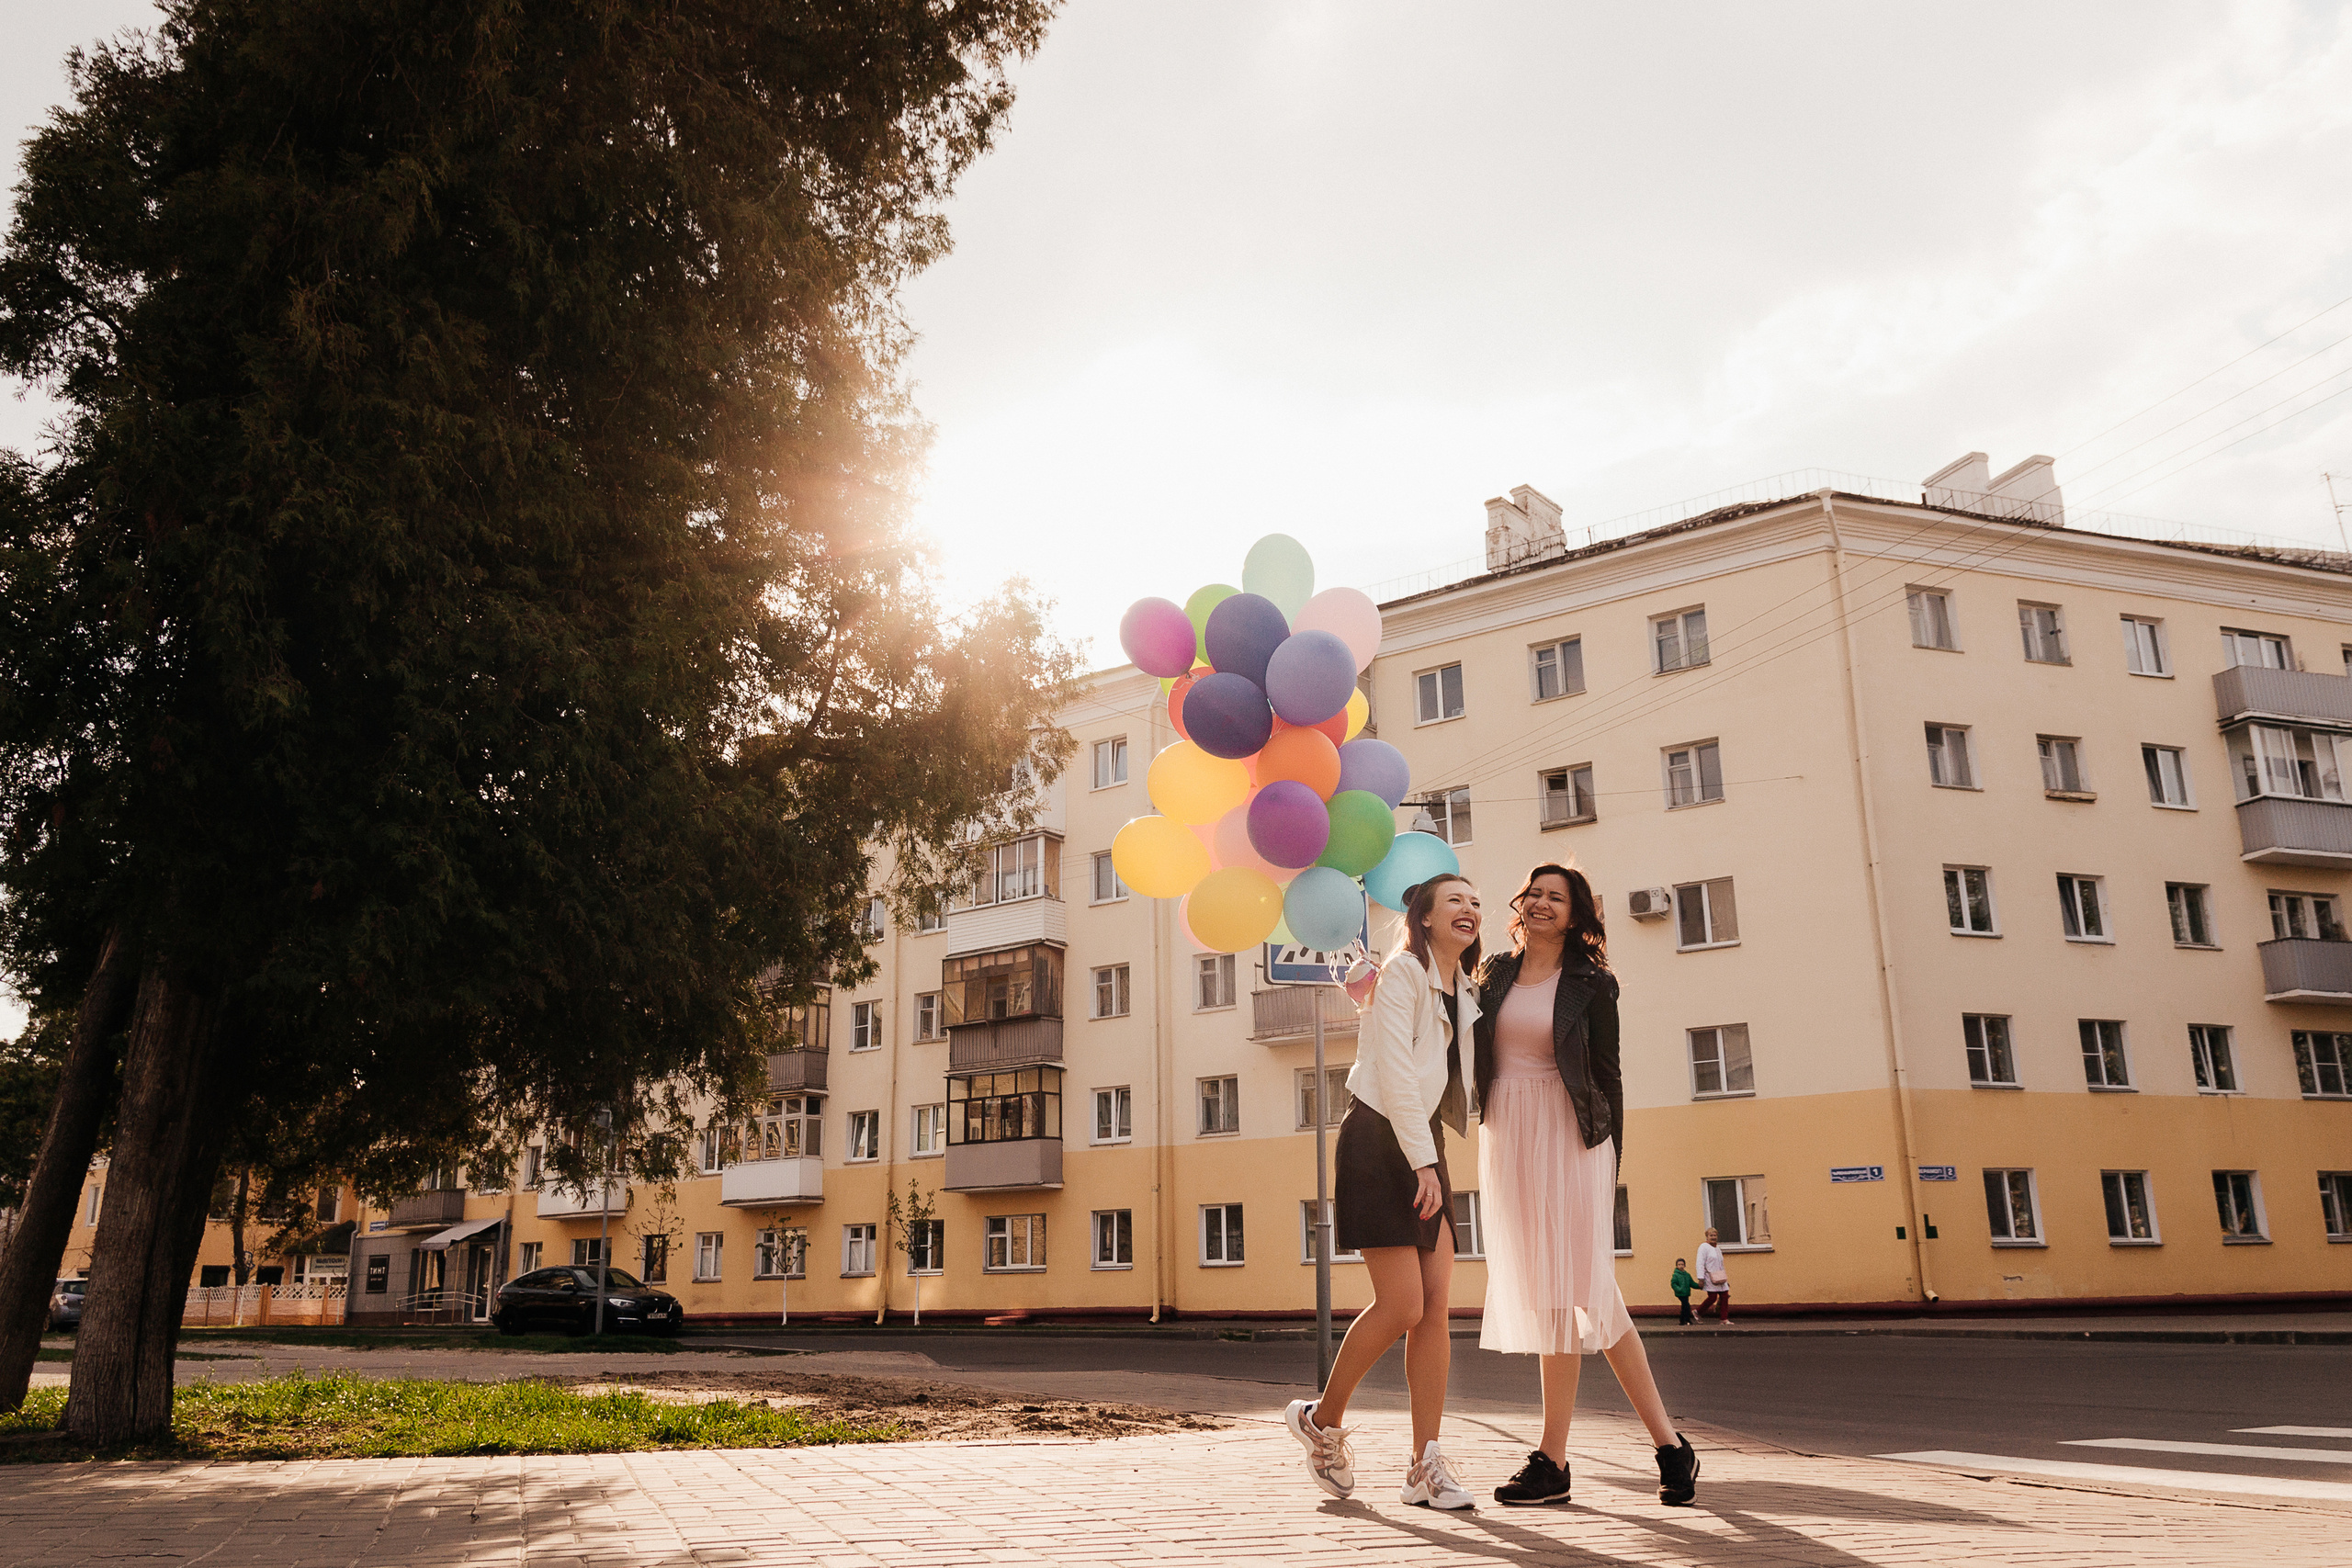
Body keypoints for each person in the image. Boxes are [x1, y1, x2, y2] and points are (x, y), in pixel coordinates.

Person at [1470, 863, 1700, 1508]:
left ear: (1576, 915)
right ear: (1520, 903)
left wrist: (1608, 1163)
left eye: (1556, 896)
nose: (1541, 902)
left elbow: (1609, 1075)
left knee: (1589, 1289)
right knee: (1551, 1295)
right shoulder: (1494, 972)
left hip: (1572, 1136)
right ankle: (1578, 1458)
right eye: (1534, 892)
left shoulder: (1593, 984)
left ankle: (1634, 1449)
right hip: (1510, 1136)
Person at [1283, 874, 1483, 1511]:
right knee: (1402, 1305)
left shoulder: (1465, 991)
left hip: (1423, 1142)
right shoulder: (1402, 973)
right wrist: (1423, 1163)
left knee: (1436, 1304)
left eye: (1476, 901)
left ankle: (1425, 1464)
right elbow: (1396, 1069)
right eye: (1455, 899)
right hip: (1379, 1138)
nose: (1470, 908)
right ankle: (1322, 1418)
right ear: (1422, 917)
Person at [1695, 1228, 1732, 1325]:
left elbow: (1721, 1264)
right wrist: (1701, 1278)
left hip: (1720, 1276)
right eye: (1711, 1235)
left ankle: (1724, 1319)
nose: (1713, 1237)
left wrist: (1725, 1278)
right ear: (1707, 1237)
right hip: (1709, 1276)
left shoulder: (1717, 1248)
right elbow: (1700, 1263)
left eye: (1715, 1235)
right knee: (1712, 1297)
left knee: (1724, 1296)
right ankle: (1698, 1312)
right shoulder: (1704, 1247)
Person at [1670, 1259, 1698, 1325]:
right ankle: (1687, 1319)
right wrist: (1679, 1289)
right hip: (1680, 1293)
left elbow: (1692, 1283)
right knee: (1686, 1306)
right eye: (1679, 1265)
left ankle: (1682, 1321)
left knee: (1684, 1307)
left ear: (1685, 1265)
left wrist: (1699, 1286)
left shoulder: (1687, 1275)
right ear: (1677, 1266)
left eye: (1682, 1264)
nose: (1681, 1266)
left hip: (1686, 1293)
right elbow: (1673, 1284)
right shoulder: (1676, 1275)